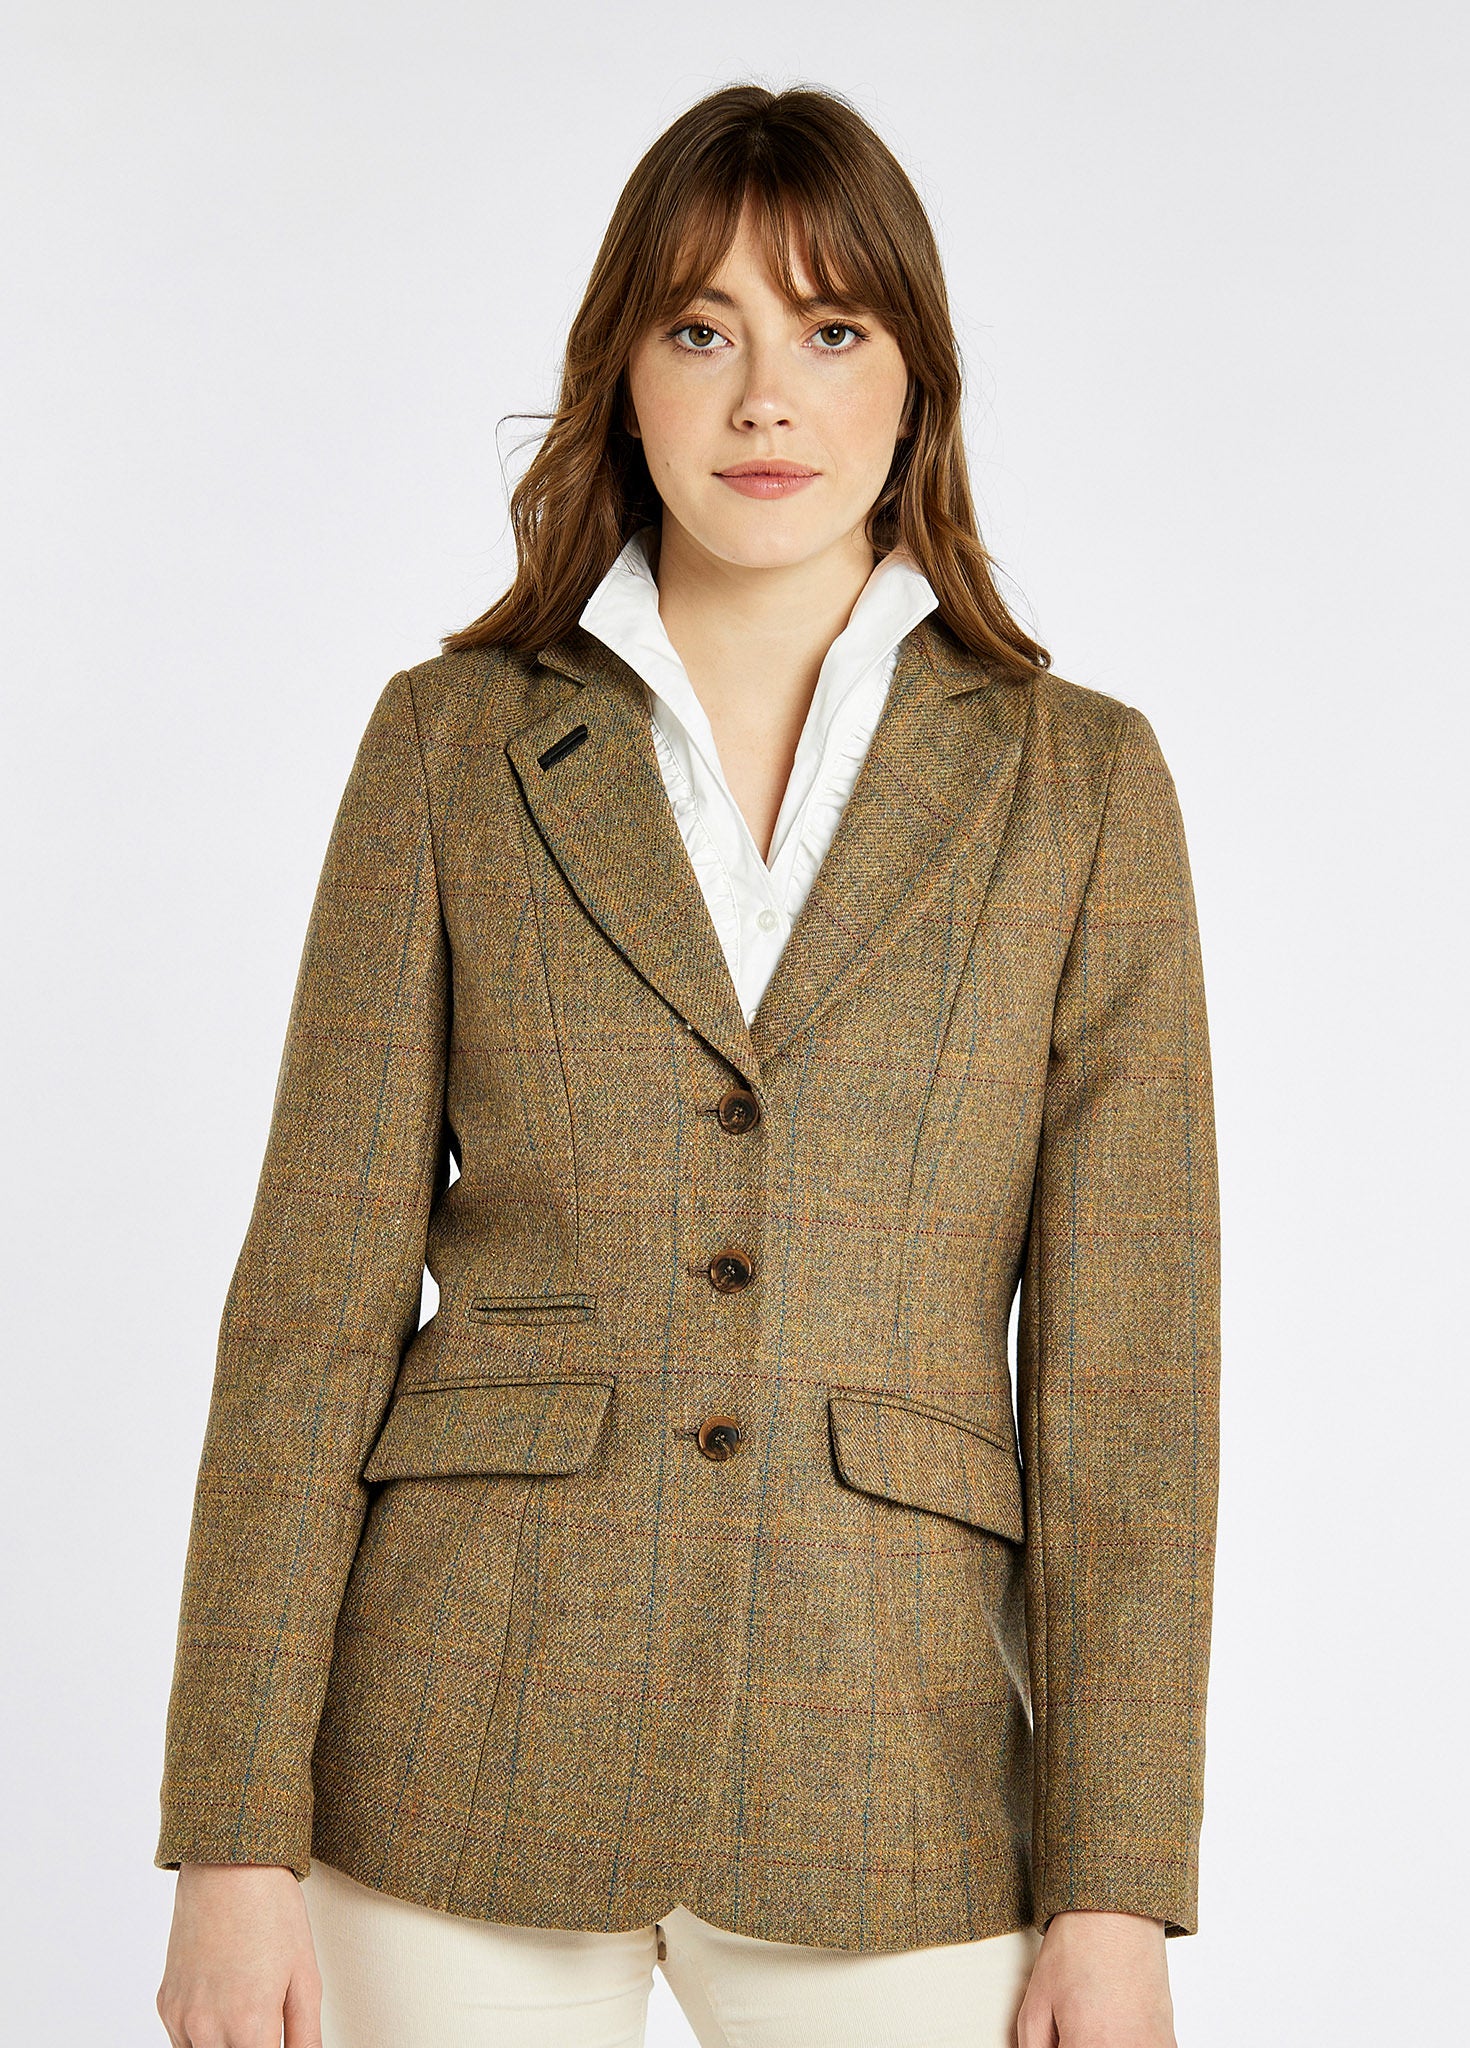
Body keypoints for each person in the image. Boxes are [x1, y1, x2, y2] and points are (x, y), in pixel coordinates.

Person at [154, 81, 1219, 2048]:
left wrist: (1116, 1886)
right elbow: (308, 1310)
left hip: (890, 1770)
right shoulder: (450, 746)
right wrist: (232, 1834)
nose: (765, 399)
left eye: (832, 329)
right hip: (457, 1739)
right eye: (701, 330)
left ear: (914, 381)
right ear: (624, 376)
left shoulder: (1077, 785)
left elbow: (1128, 1380)